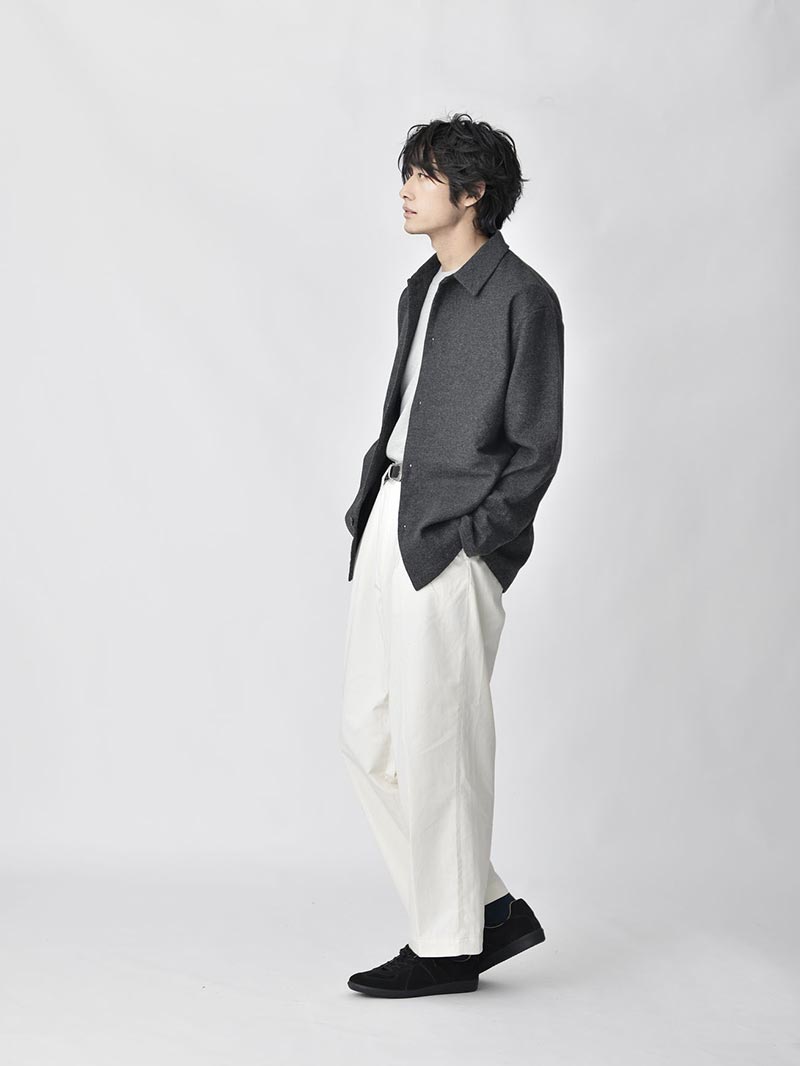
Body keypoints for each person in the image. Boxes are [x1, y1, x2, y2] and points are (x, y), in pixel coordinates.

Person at [339, 113, 564, 998]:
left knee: (440, 744)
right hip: (390, 521)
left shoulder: (523, 298)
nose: (406, 189)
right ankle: (488, 910)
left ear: (473, 193)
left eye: (426, 175)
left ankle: (446, 947)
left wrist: (478, 541)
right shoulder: (423, 287)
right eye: (410, 172)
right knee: (368, 735)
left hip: (452, 540)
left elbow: (534, 450)